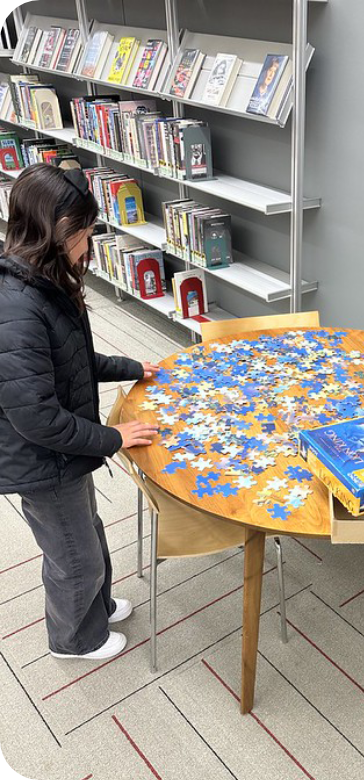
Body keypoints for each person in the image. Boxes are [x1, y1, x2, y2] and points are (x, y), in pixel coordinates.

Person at [0, 164, 159, 660]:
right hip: (42, 460)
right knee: (74, 556)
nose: (89, 244)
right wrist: (113, 438)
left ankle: (99, 607)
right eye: (85, 233)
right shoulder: (19, 308)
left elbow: (72, 358)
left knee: (86, 531)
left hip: (64, 452)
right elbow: (37, 419)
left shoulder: (42, 281)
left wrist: (132, 365)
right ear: (57, 232)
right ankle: (74, 640)